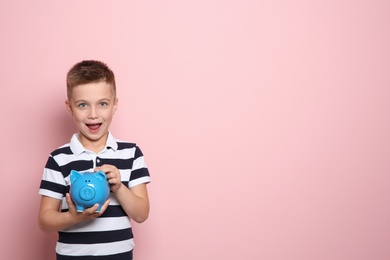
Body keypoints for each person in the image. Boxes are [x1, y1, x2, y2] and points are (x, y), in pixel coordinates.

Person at [38, 60, 151, 260]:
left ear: (115, 105)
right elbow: (45, 220)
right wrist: (73, 217)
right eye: (83, 105)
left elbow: (141, 214)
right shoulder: (58, 159)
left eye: (103, 104)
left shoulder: (131, 153)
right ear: (70, 107)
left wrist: (119, 188)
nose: (93, 114)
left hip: (119, 255)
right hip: (71, 256)